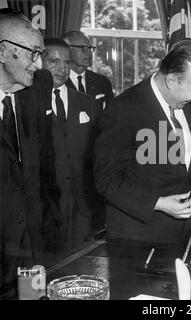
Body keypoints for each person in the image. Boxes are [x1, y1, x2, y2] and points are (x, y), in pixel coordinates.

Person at [94, 40, 191, 245]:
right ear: (171, 80)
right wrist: (158, 203)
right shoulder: (123, 109)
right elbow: (107, 180)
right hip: (138, 237)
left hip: (187, 234)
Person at [0, 12, 49, 296]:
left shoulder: (32, 97)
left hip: (30, 258)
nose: (40, 64)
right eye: (33, 54)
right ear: (3, 51)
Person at [42, 38, 104, 253]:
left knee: (81, 264)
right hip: (47, 204)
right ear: (40, 62)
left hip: (83, 204)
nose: (62, 68)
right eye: (54, 62)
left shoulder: (88, 103)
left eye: (66, 62)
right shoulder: (29, 103)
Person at [62, 31, 114, 113]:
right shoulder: (59, 82)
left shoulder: (102, 82)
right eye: (83, 48)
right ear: (67, 50)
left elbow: (111, 116)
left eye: (90, 48)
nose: (89, 52)